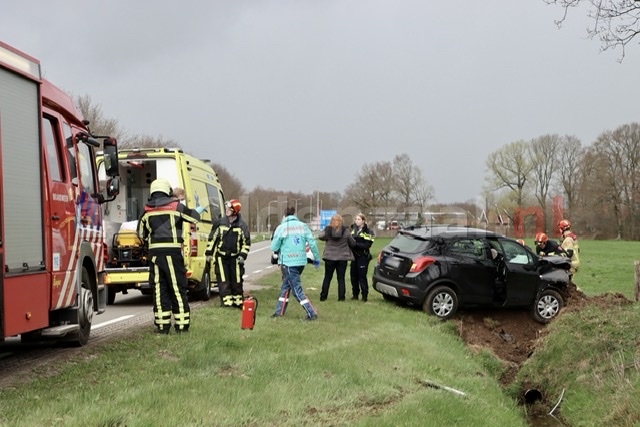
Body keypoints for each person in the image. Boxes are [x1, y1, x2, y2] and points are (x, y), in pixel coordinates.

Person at [137, 178, 201, 334]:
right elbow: (195, 217)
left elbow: (140, 234)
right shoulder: (176, 206)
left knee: (159, 289)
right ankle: (181, 325)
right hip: (172, 253)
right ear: (167, 191)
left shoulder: (146, 210)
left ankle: (162, 326)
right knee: (177, 288)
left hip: (155, 255)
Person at [270, 206, 321, 320]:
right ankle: (279, 312)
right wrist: (317, 258)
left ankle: (312, 313)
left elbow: (274, 246)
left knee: (296, 290)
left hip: (288, 263)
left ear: (284, 216)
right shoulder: (303, 226)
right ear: (294, 215)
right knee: (286, 287)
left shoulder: (282, 228)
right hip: (301, 262)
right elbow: (312, 243)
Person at [205, 199, 251, 308]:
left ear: (235, 211)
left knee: (237, 280)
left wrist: (242, 256)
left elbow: (246, 243)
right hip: (221, 257)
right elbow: (212, 239)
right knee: (223, 280)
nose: (226, 211)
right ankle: (226, 302)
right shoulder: (220, 223)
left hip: (235, 258)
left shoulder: (242, 226)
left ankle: (238, 301)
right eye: (226, 209)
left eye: (229, 209)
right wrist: (209, 253)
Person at [319, 214, 356, 301]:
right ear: (341, 221)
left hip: (329, 257)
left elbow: (320, 236)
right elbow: (353, 243)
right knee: (341, 278)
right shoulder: (346, 231)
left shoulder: (328, 230)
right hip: (342, 258)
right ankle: (341, 297)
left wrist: (326, 230)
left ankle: (323, 296)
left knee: (327, 277)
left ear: (331, 221)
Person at [349, 213, 375, 302]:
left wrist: (355, 244)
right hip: (354, 256)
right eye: (356, 219)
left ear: (363, 221)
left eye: (359, 219)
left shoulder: (368, 232)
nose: (357, 221)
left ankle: (364, 296)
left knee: (362, 277)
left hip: (363, 256)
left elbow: (367, 245)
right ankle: (355, 294)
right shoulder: (353, 230)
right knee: (353, 276)